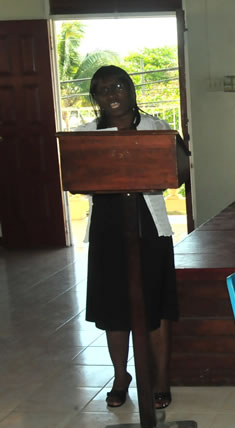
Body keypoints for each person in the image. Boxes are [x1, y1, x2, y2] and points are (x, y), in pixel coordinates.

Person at [76, 65, 177, 409]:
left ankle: (160, 377)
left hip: (149, 226)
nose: (112, 94)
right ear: (95, 98)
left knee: (155, 306)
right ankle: (122, 376)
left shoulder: (156, 128)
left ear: (131, 90)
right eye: (103, 89)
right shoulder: (85, 135)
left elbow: (177, 170)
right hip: (108, 228)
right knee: (113, 309)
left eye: (119, 86)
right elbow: (77, 178)